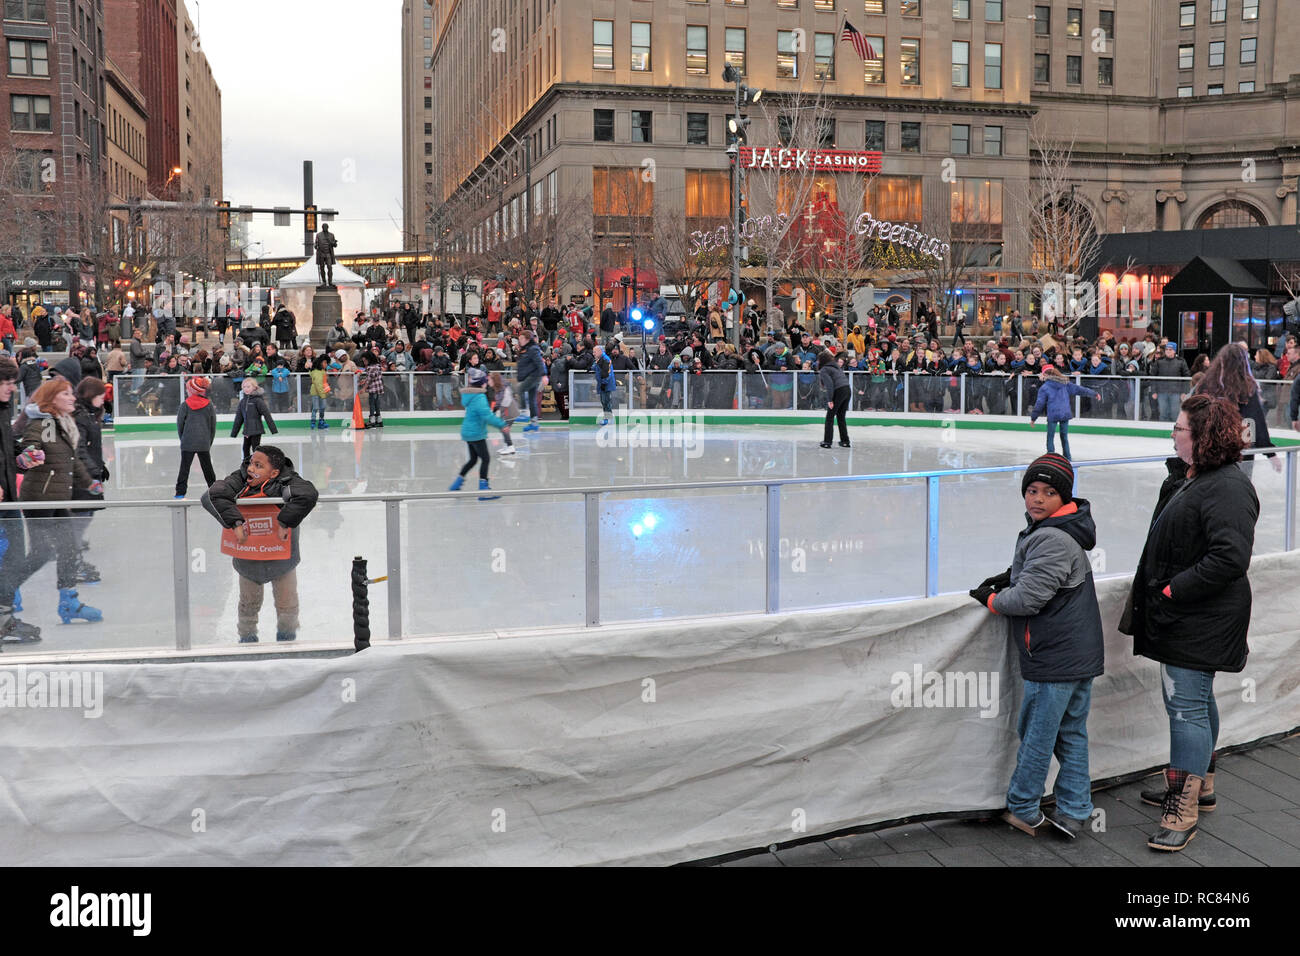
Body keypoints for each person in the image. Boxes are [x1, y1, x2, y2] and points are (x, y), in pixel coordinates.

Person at [1120, 395, 1259, 852]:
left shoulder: (1228, 488)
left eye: (1180, 428)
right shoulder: (1196, 478)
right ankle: (1202, 781)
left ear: (1203, 437)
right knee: (1195, 701)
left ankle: (1182, 807)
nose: (1173, 434)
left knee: (1186, 708)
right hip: (1188, 616)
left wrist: (1172, 590)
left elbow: (1229, 558)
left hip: (1200, 618)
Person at [970, 453, 1104, 839]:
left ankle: (1024, 807)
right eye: (1031, 490)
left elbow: (1028, 600)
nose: (1038, 499)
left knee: (1038, 733)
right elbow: (1038, 578)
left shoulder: (1052, 537)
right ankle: (1076, 808)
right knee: (1070, 732)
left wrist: (992, 600)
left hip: (1055, 656)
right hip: (1077, 655)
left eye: (1049, 492)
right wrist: (1011, 576)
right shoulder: (1062, 531)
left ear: (1064, 498)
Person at [202, 445, 318, 643]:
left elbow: (308, 494)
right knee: (248, 603)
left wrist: (284, 521)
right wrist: (235, 523)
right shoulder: (239, 480)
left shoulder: (287, 481)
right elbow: (212, 495)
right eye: (251, 463)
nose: (251, 469)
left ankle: (287, 638)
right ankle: (247, 639)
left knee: (287, 604)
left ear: (274, 472)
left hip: (283, 560)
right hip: (248, 559)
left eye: (258, 465)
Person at [14, 379, 104, 625]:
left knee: (68, 549)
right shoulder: (45, 423)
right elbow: (29, 445)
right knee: (42, 552)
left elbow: (72, 461)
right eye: (66, 394)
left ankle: (69, 602)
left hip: (57, 497)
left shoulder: (64, 424)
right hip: (39, 499)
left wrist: (89, 483)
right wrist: (28, 455)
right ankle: (7, 590)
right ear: (52, 398)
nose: (72, 398)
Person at [0, 357, 40, 643]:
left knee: (14, 560)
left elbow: (7, 446)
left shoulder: (3, 411)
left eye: (12, 383)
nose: (11, 388)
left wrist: (23, 457)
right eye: (5, 383)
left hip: (8, 501)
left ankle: (5, 618)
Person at [449, 366, 509, 497]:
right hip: (476, 433)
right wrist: (501, 424)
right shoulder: (479, 397)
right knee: (486, 459)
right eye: (485, 381)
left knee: (473, 460)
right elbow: (487, 416)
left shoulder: (470, 395)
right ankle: (483, 490)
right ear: (481, 383)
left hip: (468, 432)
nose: (487, 383)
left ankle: (457, 483)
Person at [70, 376, 108, 584]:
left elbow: (90, 446)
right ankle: (73, 562)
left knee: (85, 517)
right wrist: (94, 470)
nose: (103, 400)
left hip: (90, 472)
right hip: (82, 477)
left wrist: (101, 466)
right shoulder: (80, 416)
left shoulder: (89, 414)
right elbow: (80, 448)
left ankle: (74, 559)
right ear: (90, 395)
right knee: (80, 519)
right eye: (100, 396)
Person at [1029, 366, 1102, 462]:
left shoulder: (1045, 387)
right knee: (1064, 437)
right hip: (1064, 413)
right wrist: (1094, 393)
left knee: (1050, 436)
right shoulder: (1065, 383)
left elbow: (1039, 404)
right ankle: (1068, 458)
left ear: (1046, 374)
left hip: (1053, 415)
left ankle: (1051, 458)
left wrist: (1033, 418)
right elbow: (1080, 389)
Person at [175, 376, 217, 498]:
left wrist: (183, 439)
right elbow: (212, 427)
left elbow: (180, 425)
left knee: (184, 468)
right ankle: (214, 490)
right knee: (207, 468)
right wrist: (208, 442)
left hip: (188, 441)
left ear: (192, 391)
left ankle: (180, 492)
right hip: (203, 442)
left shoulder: (185, 405)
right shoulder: (209, 405)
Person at [230, 376, 278, 463]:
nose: (246, 389)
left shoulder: (258, 401)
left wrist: (273, 429)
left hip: (256, 429)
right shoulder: (242, 402)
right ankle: (246, 464)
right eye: (244, 387)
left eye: (248, 387)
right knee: (245, 448)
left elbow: (267, 414)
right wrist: (234, 433)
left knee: (255, 448)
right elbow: (238, 419)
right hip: (247, 430)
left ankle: (257, 463)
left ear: (254, 387)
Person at [818, 350, 851, 449]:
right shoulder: (836, 367)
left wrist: (830, 400)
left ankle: (827, 442)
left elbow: (829, 385)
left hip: (839, 391)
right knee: (841, 417)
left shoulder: (824, 369)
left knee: (830, 417)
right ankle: (845, 441)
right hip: (847, 390)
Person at [513, 329, 545, 432]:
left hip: (534, 376)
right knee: (532, 400)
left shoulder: (532, 349)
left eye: (521, 339)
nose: (520, 341)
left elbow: (540, 362)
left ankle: (523, 413)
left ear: (527, 339)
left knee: (520, 389)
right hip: (529, 376)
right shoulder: (525, 349)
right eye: (519, 339)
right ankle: (534, 423)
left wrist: (544, 375)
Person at [592, 343, 616, 426]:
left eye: (595, 352)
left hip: (606, 385)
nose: (593, 353)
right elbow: (594, 367)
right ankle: (607, 418)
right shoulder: (599, 359)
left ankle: (609, 419)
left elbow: (607, 373)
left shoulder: (605, 359)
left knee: (606, 402)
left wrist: (604, 383)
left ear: (599, 351)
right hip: (602, 384)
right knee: (603, 402)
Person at [363, 352, 385, 427]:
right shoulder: (378, 366)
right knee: (377, 403)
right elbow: (373, 377)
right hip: (378, 388)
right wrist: (365, 381)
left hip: (373, 388)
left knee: (372, 403)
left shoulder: (371, 368)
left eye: (365, 361)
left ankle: (372, 420)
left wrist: (363, 388)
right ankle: (379, 419)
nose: (364, 362)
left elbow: (369, 379)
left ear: (369, 359)